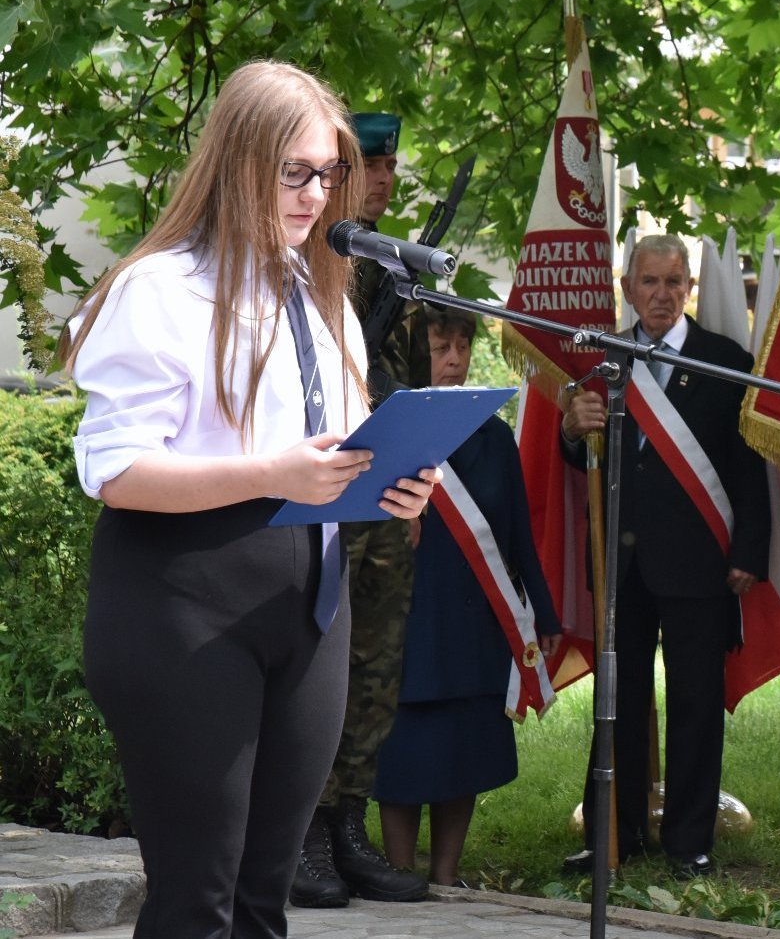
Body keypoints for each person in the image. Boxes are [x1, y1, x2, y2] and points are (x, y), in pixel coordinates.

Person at [62, 60, 439, 939]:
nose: (318, 195)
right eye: (295, 172)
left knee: (268, 901)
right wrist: (272, 475)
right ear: (238, 163)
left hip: (309, 605)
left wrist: (396, 485)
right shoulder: (161, 289)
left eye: (329, 173)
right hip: (183, 608)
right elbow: (117, 473)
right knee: (199, 900)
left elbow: (335, 455)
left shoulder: (323, 295)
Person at [558, 235, 771, 879]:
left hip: (701, 562)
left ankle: (689, 841)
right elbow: (580, 460)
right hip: (621, 565)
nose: (661, 294)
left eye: (674, 282)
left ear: (689, 289)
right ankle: (613, 836)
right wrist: (573, 428)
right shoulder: (605, 361)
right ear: (628, 288)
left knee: (696, 704)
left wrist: (750, 551)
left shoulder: (723, 361)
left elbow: (748, 467)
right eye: (649, 282)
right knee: (616, 702)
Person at [291, 111, 433, 908]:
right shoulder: (306, 259)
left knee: (374, 667)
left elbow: (411, 386)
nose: (380, 179)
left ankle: (348, 825)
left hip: (382, 500)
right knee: (319, 658)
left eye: (386, 166)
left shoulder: (396, 271)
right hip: (317, 491)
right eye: (365, 166)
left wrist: (414, 482)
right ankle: (302, 834)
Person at [372, 306, 564, 885]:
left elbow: (516, 534)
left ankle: (447, 876)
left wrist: (543, 610)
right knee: (403, 748)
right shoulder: (389, 429)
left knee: (466, 746)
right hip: (409, 614)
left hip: (478, 617)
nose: (453, 359)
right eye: (439, 346)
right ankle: (401, 871)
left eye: (461, 345)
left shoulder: (495, 435)